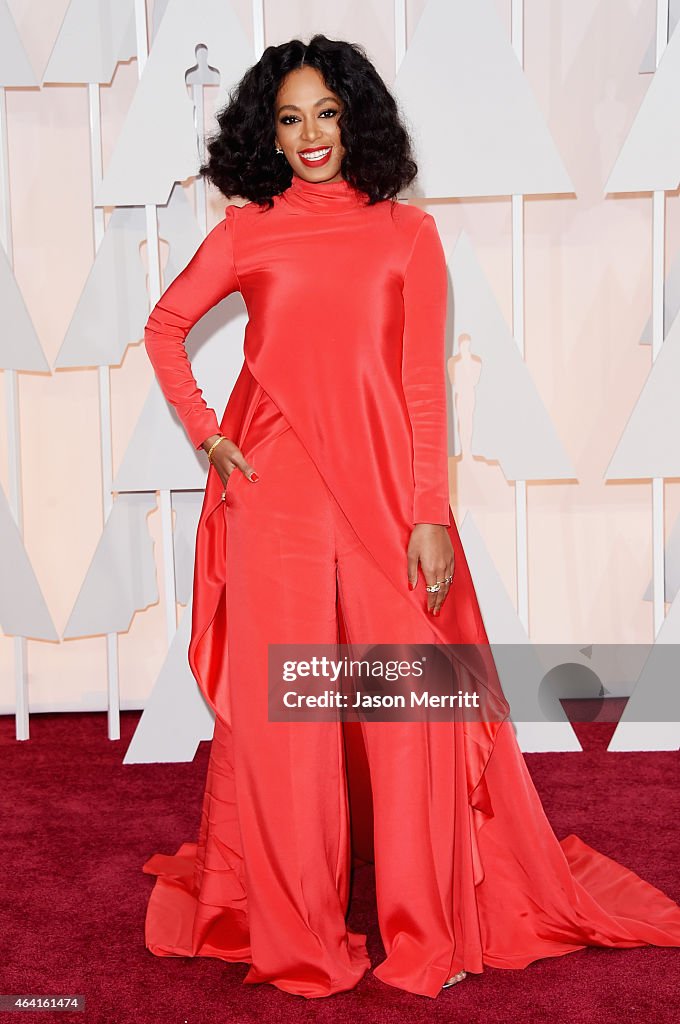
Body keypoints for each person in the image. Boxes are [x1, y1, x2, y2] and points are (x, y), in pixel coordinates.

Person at [141, 35, 680, 1000]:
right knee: (286, 727)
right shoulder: (247, 230)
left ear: (357, 120)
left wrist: (429, 515)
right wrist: (208, 431)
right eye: (290, 118)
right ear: (268, 134)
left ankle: (422, 931)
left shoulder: (406, 237)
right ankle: (300, 937)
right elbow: (164, 326)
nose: (311, 135)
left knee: (409, 720)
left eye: (328, 114)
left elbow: (422, 389)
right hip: (273, 498)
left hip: (387, 501)